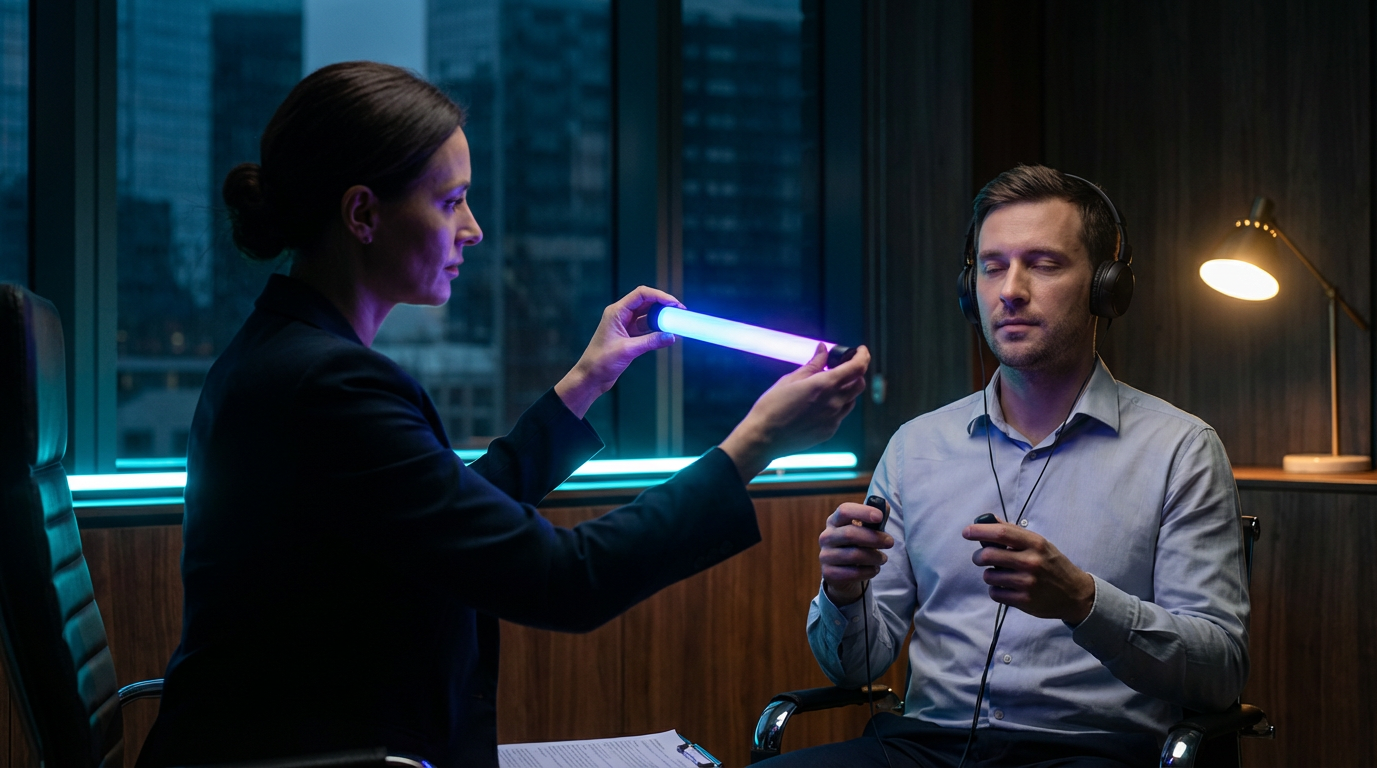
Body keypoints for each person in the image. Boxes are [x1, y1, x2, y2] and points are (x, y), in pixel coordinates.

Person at [135, 61, 869, 768]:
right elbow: (564, 579)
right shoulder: (325, 387)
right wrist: (756, 442)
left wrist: (586, 379)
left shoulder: (289, 358)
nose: (473, 229)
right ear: (363, 213)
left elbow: (450, 513)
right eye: (451, 201)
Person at [767, 165, 1249, 767]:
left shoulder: (1181, 450)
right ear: (971, 290)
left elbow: (1221, 672)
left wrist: (1082, 601)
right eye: (993, 266)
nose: (1010, 290)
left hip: (1091, 753)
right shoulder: (916, 446)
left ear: (1105, 288)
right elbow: (857, 666)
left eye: (1043, 264)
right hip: (923, 748)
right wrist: (842, 592)